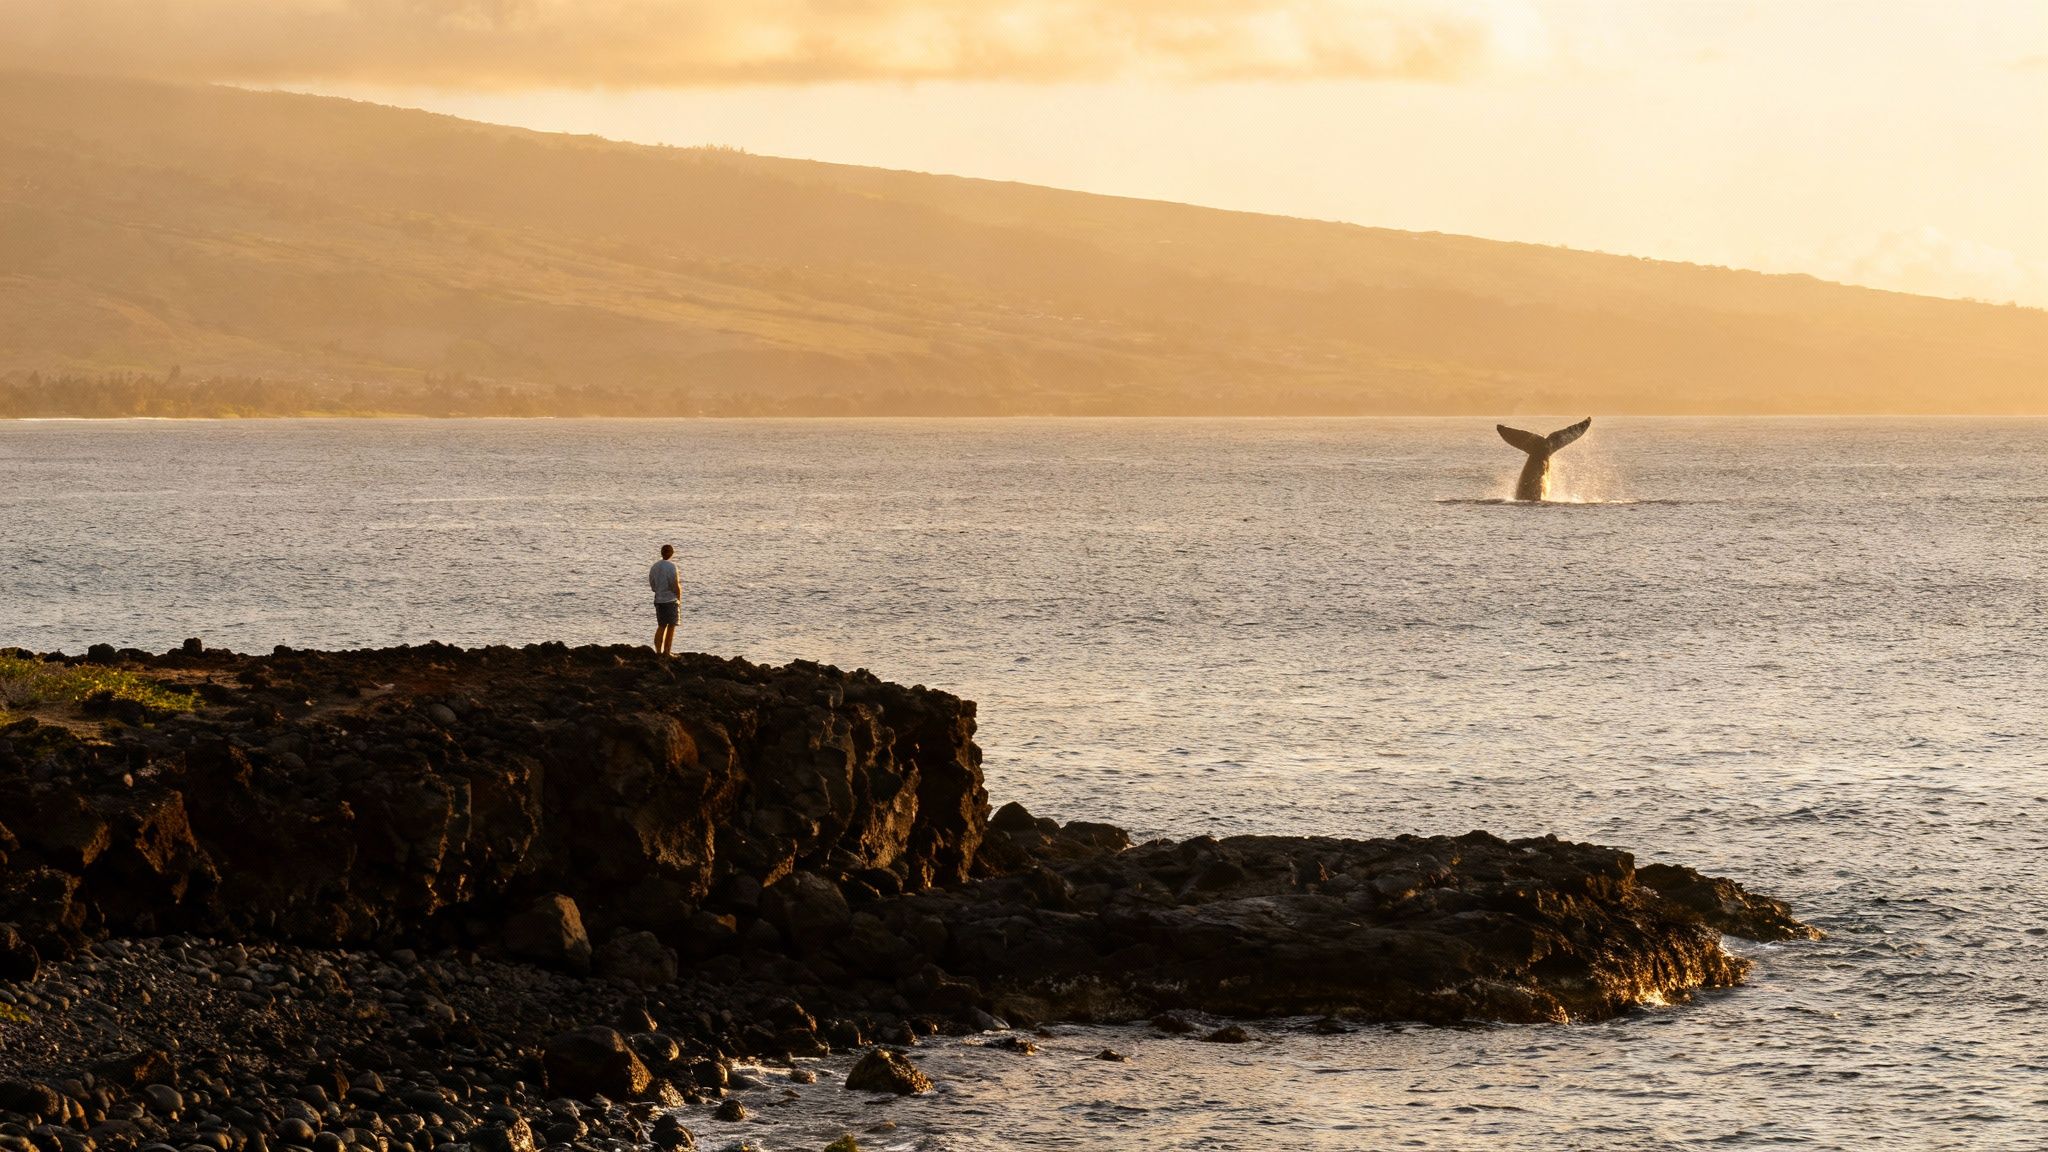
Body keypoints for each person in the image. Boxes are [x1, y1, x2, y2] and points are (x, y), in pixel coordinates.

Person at [648, 544, 682, 655]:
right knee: (671, 626)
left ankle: (658, 652)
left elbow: (652, 584)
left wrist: (658, 590)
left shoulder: (654, 566)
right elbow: (675, 585)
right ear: (671, 553)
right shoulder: (672, 567)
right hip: (670, 600)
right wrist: (679, 599)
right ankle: (667, 652)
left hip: (659, 599)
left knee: (661, 626)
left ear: (661, 553)